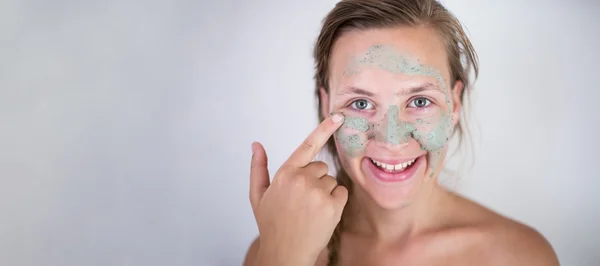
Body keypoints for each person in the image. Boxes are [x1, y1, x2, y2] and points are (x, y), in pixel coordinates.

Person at [243, 0, 559, 265]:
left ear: (455, 102)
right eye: (361, 102)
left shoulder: (520, 257)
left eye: (420, 101)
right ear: (326, 103)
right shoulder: (278, 248)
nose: (392, 140)